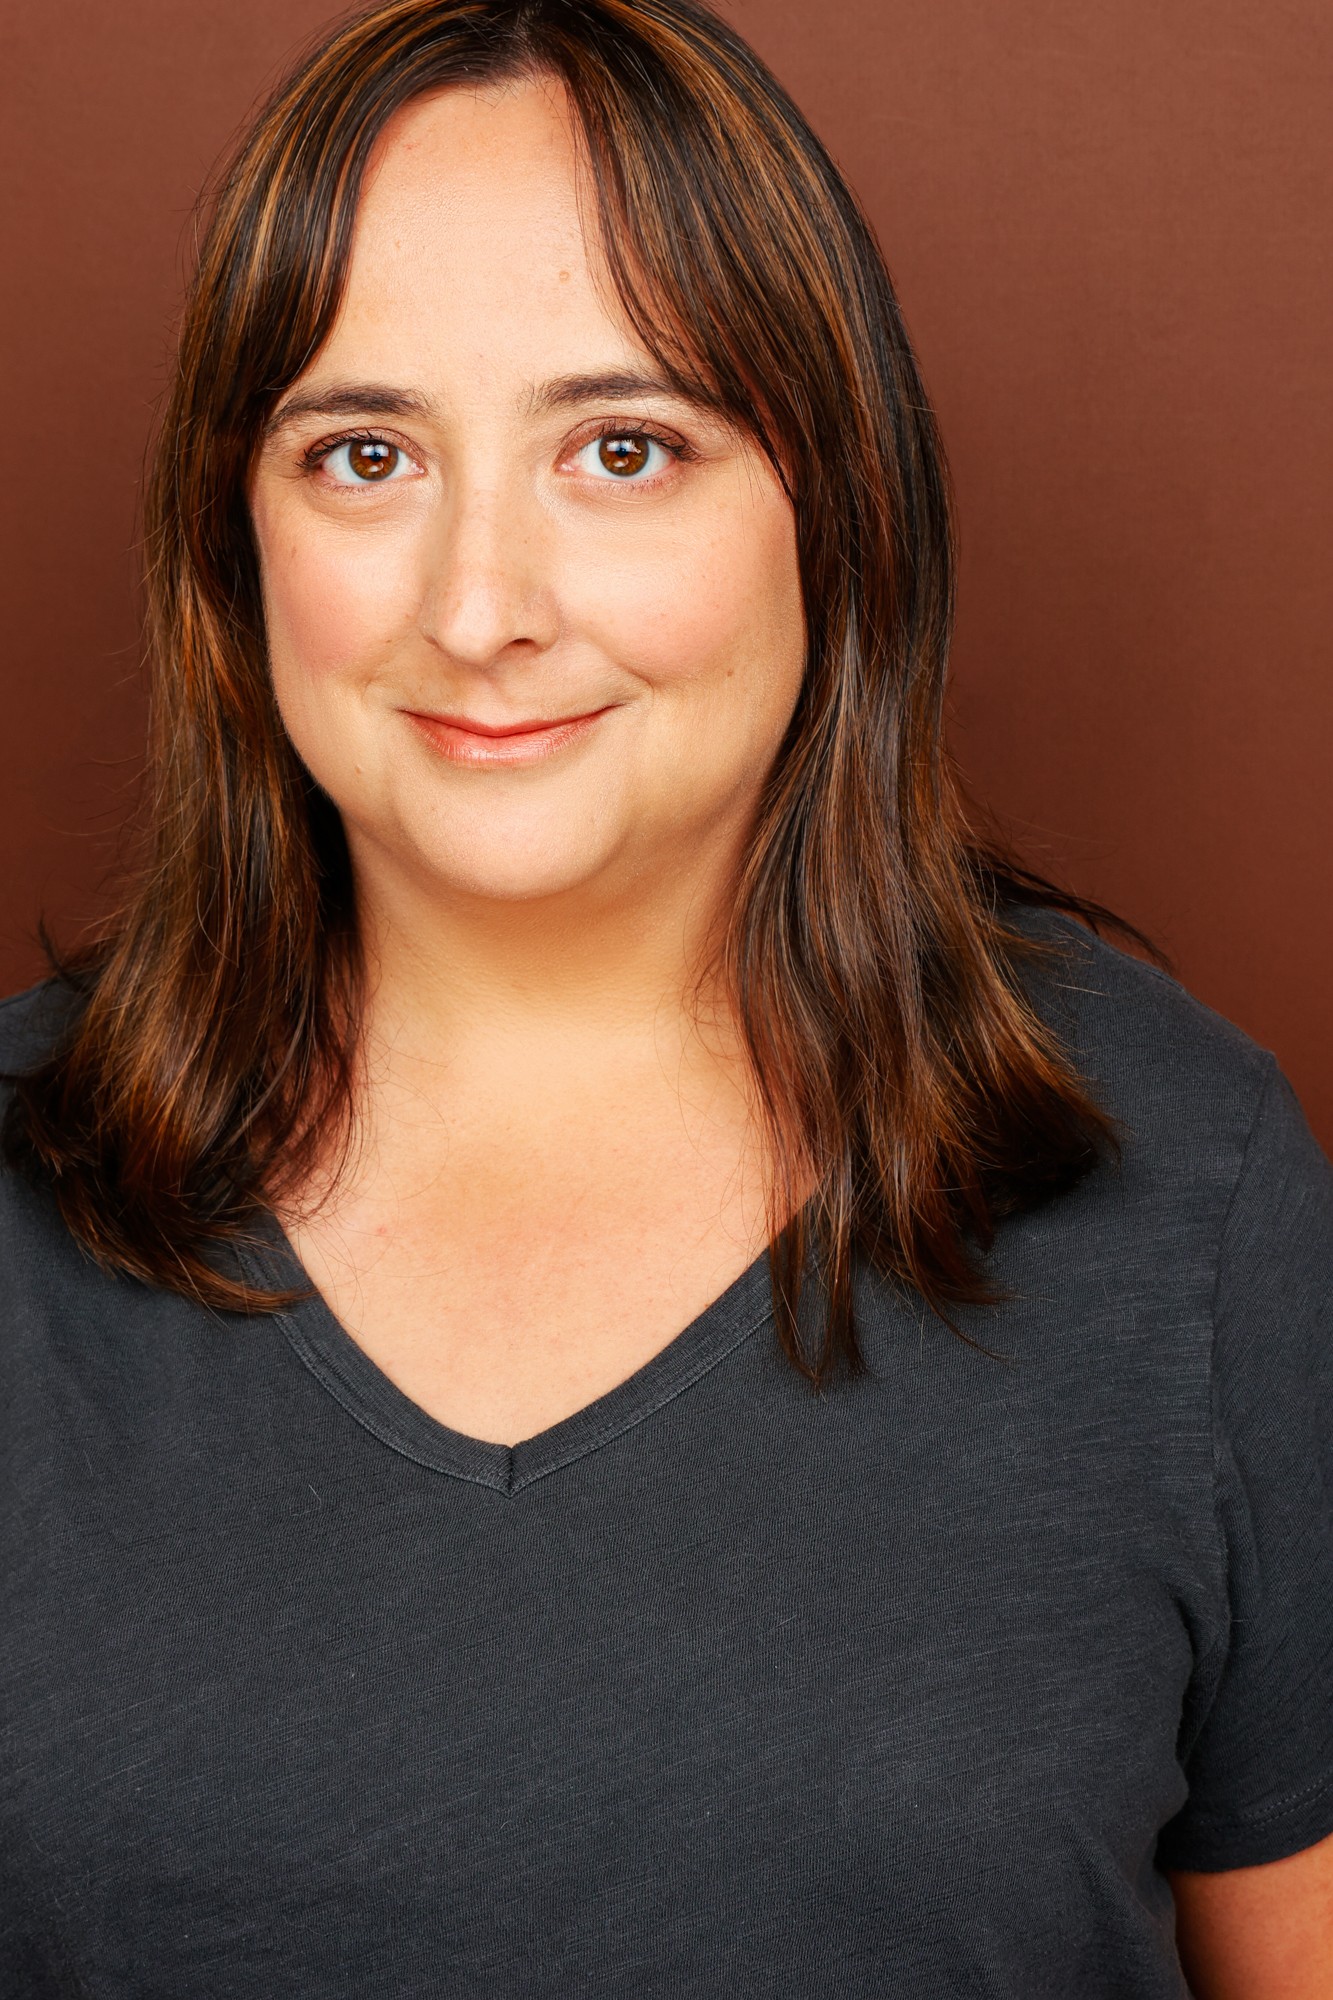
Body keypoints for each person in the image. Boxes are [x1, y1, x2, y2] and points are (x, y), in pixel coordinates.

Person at [1, 0, 1330, 1991]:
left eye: (622, 448)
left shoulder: (1191, 1195)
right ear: (236, 535)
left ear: (830, 501)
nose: (478, 604)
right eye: (364, 454)